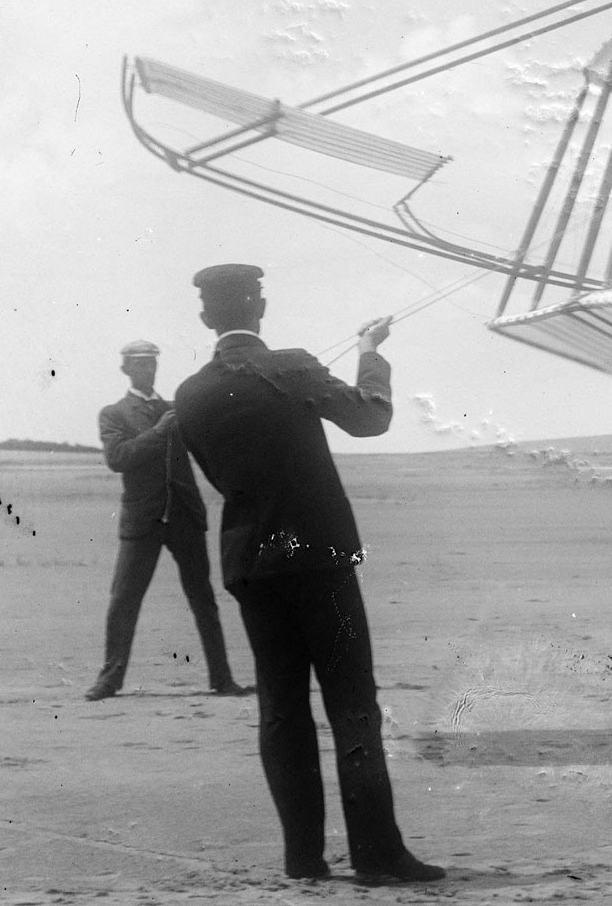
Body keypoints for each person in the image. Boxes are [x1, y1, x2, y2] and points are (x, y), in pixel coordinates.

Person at [172, 264, 444, 885]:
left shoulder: (189, 394)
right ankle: (377, 855)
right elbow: (371, 418)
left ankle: (303, 858)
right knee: (352, 706)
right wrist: (371, 353)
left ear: (205, 318)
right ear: (260, 306)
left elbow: (219, 475)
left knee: (280, 709)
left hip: (251, 564)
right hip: (319, 557)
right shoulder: (291, 365)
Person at [86, 339, 249, 701]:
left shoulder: (177, 408)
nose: (148, 370)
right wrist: (160, 431)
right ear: (126, 369)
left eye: (152, 364)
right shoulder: (113, 414)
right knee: (124, 600)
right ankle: (109, 680)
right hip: (143, 519)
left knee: (203, 598)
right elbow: (118, 457)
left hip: (185, 516)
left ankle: (222, 680)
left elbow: (215, 419)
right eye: (140, 365)